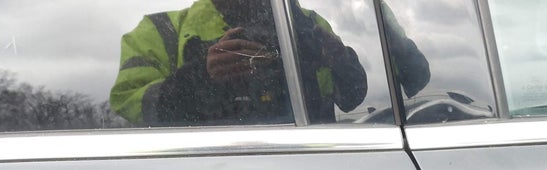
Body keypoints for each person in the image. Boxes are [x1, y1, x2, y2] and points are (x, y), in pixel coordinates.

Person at [110, 0, 367, 125]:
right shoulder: (161, 30)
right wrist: (199, 78)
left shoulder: (308, 25)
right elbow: (129, 104)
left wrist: (342, 61)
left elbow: (351, 98)